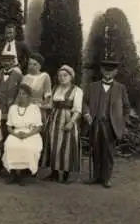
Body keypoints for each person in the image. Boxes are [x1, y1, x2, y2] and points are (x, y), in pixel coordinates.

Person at [83, 60, 130, 188]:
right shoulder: (92, 87)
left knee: (108, 152)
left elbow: (126, 107)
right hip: (95, 123)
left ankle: (106, 178)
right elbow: (85, 103)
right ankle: (96, 176)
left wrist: (122, 122)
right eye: (105, 70)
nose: (108, 73)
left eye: (111, 71)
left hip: (111, 125)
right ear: (101, 71)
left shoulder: (121, 88)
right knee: (95, 149)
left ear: (115, 72)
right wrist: (87, 114)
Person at [41, 65, 83, 184]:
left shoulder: (77, 90)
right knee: (53, 144)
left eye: (65, 75)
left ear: (71, 77)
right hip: (54, 118)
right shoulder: (55, 88)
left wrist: (71, 122)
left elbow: (77, 109)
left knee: (67, 146)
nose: (62, 78)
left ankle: (66, 174)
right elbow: (50, 105)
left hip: (67, 118)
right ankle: (54, 173)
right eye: (60, 75)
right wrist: (37, 104)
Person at [2, 84, 43, 186]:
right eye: (19, 93)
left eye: (24, 94)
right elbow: (9, 127)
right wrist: (16, 135)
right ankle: (13, 173)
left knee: (28, 147)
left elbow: (38, 127)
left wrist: (28, 134)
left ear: (29, 96)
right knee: (10, 145)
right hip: (16, 133)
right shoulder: (13, 108)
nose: (21, 96)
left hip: (31, 133)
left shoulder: (34, 108)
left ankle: (24, 174)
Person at [0, 51, 23, 139]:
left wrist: (15, 105)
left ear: (13, 62)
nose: (6, 63)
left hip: (11, 108)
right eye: (4, 61)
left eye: (9, 61)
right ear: (1, 62)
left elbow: (20, 93)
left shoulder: (19, 76)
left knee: (8, 132)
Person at [21, 52, 52, 123]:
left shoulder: (45, 76)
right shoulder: (25, 77)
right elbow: (20, 94)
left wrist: (41, 105)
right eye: (30, 64)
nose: (31, 66)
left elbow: (48, 96)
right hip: (25, 108)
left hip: (38, 108)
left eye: (35, 64)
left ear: (40, 66)